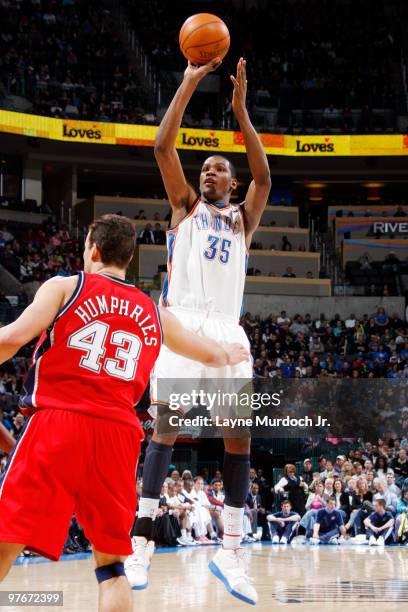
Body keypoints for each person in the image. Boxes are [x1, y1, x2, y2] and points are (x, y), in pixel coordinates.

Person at [0, 215, 249, 612]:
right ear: (128, 258)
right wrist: (229, 354)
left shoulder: (66, 287)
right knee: (111, 566)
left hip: (59, 422)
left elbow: (11, 339)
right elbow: (208, 352)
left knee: (5, 540)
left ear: (93, 250)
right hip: (118, 435)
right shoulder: (152, 310)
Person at [128, 56, 270, 606]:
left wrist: (241, 113)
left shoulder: (243, 218)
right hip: (182, 324)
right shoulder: (185, 207)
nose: (208, 173)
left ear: (231, 184)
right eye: (204, 168)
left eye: (218, 169)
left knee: (239, 437)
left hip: (229, 332)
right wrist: (187, 82)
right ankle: (141, 537)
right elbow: (164, 148)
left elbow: (265, 176)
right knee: (166, 427)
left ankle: (231, 547)